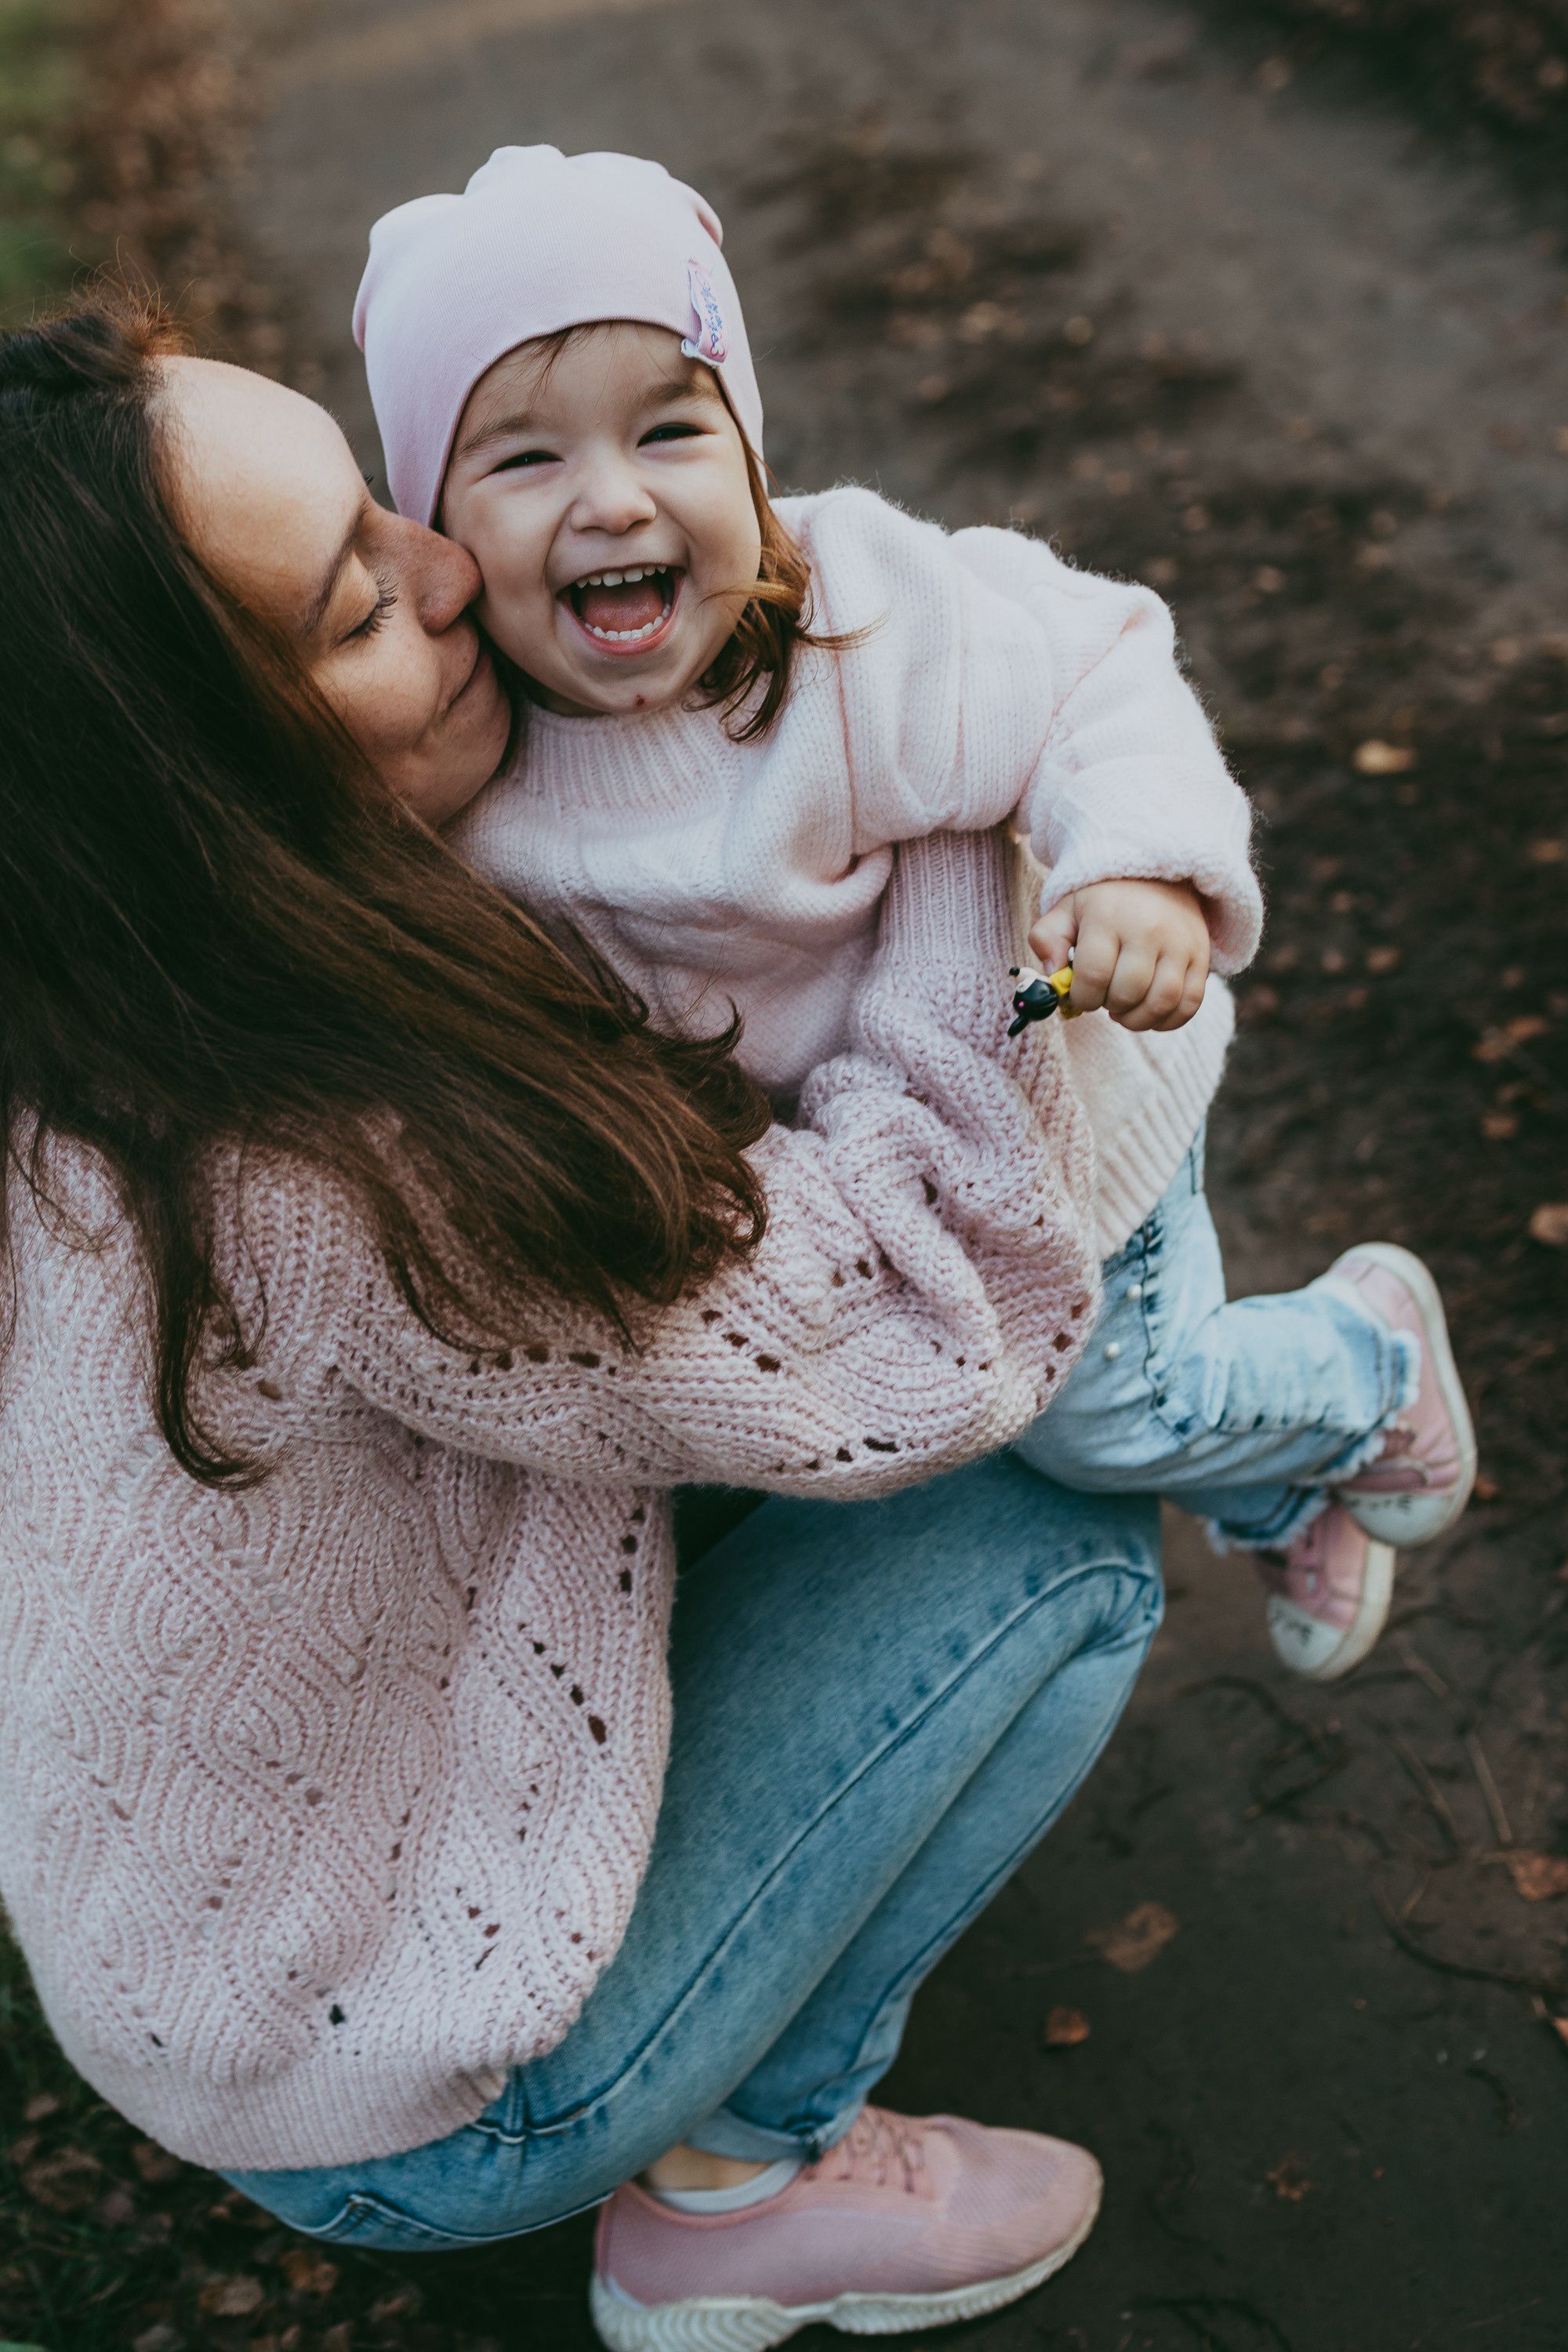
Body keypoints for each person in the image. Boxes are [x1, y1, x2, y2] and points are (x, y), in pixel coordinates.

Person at [1, 295, 1169, 2352]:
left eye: (387, 509)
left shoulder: (97, 992)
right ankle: (748, 2183)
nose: (455, 565)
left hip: (199, 1948)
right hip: (400, 2088)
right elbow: (924, 1325)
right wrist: (940, 831)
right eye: (361, 606)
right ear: (198, 785)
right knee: (1054, 1527)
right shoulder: (352, 1154)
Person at [351, 145, 1477, 1689]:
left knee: (1105, 1419)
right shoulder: (493, 785)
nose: (614, 497)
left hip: (1069, 1090)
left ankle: (1364, 1367)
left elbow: (1093, 664)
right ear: (433, 524)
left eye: (672, 429)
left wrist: (1133, 867)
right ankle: (1277, 1490)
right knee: (1003, 1405)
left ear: (745, 455)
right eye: (524, 460)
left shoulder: (849, 627)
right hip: (886, 1170)